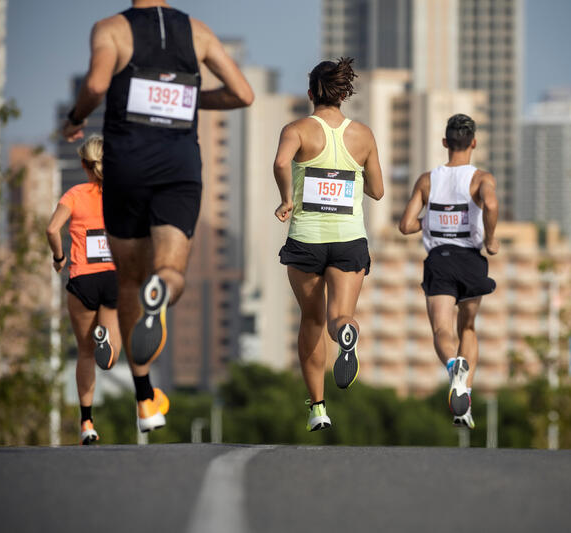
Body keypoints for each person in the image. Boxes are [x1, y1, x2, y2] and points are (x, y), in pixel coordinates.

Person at [61, 0, 254, 432]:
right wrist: (190, 101)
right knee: (169, 270)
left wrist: (75, 118)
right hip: (179, 168)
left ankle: (146, 398)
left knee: (127, 281)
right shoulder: (198, 32)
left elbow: (95, 84)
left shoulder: (110, 29)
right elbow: (243, 93)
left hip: (126, 166)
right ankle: (161, 289)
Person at [273, 57, 384, 432]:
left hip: (307, 239)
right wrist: (354, 177)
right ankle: (346, 335)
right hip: (349, 239)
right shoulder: (363, 135)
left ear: (310, 93)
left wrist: (287, 197)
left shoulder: (297, 129)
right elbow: (379, 191)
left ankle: (318, 407)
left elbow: (279, 162)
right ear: (343, 94)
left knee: (311, 320)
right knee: (338, 317)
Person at [398, 114, 499, 429]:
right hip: (470, 259)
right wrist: (492, 239)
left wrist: (427, 221)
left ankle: (454, 366)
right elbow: (492, 206)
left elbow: (404, 225)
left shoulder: (428, 180)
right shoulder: (482, 179)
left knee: (442, 330)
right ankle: (464, 395)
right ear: (474, 142)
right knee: (467, 328)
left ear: (445, 143)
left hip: (439, 260)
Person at [46, 135, 121, 445]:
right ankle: (105, 334)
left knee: (85, 353)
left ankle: (87, 423)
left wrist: (59, 257)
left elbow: (52, 229)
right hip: (113, 276)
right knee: (111, 357)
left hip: (82, 280)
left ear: (82, 164)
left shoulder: (74, 194)